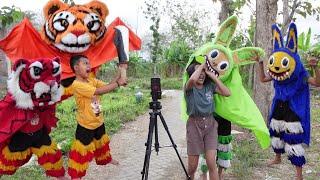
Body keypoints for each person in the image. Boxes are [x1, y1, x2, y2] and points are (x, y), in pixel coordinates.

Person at [258, 23, 320, 180]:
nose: (278, 67)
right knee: (276, 133)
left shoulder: (300, 73)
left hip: (294, 108)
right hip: (279, 105)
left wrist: (315, 67)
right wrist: (260, 63)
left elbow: (316, 83)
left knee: (293, 139)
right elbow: (263, 78)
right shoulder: (277, 70)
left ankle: (299, 175)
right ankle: (277, 158)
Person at [63, 55, 126, 179]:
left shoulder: (91, 80)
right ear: (76, 68)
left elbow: (108, 85)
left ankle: (106, 159)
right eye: (85, 63)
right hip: (86, 126)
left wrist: (120, 71)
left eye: (89, 63)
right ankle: (76, 176)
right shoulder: (77, 84)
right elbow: (98, 91)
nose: (89, 65)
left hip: (98, 121)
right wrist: (119, 83)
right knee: (80, 153)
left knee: (101, 143)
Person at [185, 62, 231, 180]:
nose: (201, 75)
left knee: (211, 163)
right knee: (192, 167)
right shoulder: (189, 87)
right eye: (198, 72)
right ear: (192, 73)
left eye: (203, 72)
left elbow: (227, 93)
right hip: (194, 125)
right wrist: (202, 66)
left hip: (210, 125)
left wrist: (213, 76)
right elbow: (192, 79)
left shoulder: (209, 86)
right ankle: (189, 177)